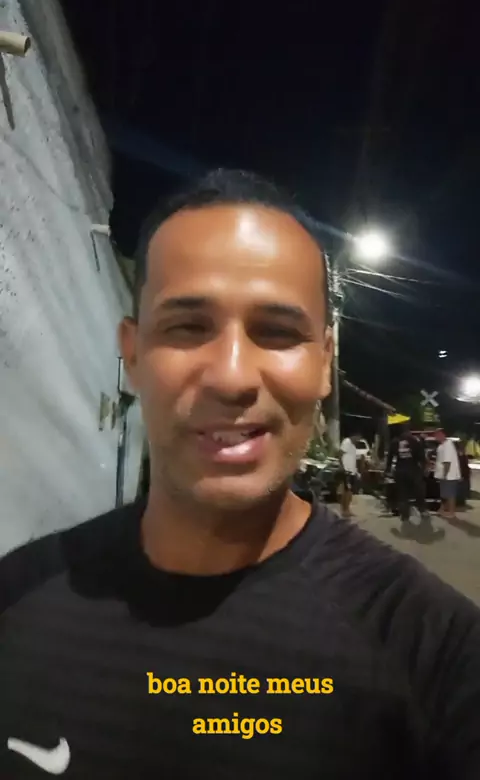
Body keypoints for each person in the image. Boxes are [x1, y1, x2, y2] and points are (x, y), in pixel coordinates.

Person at [1, 169, 480, 779]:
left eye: (277, 332)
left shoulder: (435, 652)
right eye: (188, 326)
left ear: (325, 363)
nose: (231, 377)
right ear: (133, 353)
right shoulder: (17, 599)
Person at [386, 427, 428, 521]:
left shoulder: (395, 442)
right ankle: (422, 509)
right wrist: (424, 468)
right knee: (419, 490)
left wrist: (388, 469)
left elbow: (390, 457)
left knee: (403, 493)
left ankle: (405, 514)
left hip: (400, 470)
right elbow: (421, 456)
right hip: (413, 470)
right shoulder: (414, 440)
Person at [435, 428, 461, 519]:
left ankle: (451, 512)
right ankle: (442, 510)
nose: (436, 437)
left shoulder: (448, 445)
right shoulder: (441, 446)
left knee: (450, 495)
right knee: (445, 494)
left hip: (449, 475)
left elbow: (447, 461)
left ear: (443, 435)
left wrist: (445, 474)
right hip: (443, 474)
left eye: (438, 435)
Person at [339, 432, 359, 518]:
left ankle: (347, 509)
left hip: (352, 471)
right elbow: (340, 454)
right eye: (358, 437)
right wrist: (342, 466)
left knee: (350, 491)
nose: (358, 440)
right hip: (347, 471)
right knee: (347, 490)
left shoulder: (353, 445)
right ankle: (345, 510)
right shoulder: (346, 442)